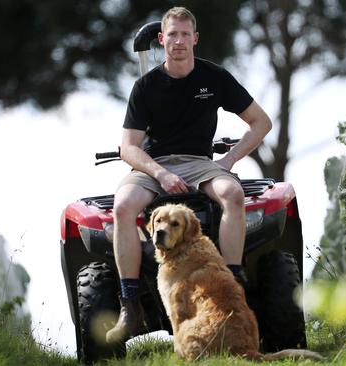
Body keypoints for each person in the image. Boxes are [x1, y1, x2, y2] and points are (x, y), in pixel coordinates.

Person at [105, 6, 272, 344]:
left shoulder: (215, 77)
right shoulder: (145, 86)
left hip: (200, 162)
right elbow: (129, 148)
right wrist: (160, 174)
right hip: (155, 164)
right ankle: (131, 304)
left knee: (233, 195)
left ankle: (232, 285)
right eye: (172, 35)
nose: (178, 41)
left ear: (195, 39)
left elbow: (261, 122)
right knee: (122, 206)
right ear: (161, 39)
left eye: (185, 34)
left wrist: (230, 160)